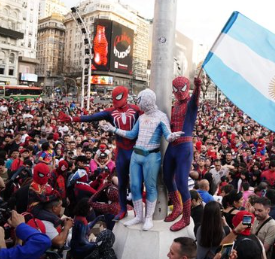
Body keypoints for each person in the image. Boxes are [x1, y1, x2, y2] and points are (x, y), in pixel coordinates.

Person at [101, 88, 183, 231]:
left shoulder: (161, 116)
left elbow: (167, 135)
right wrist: (113, 129)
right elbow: (132, 134)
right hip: (136, 155)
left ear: (147, 100)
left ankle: (148, 217)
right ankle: (139, 216)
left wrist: (173, 137)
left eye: (140, 100)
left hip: (152, 156)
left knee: (151, 187)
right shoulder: (141, 116)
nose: (138, 103)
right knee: (134, 186)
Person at [59, 86, 141, 221]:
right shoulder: (111, 112)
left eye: (118, 97)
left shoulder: (136, 110)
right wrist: (72, 119)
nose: (115, 101)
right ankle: (123, 209)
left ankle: (138, 211)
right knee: (122, 183)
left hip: (134, 150)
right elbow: (91, 117)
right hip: (121, 151)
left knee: (137, 181)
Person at [163, 76, 202, 231]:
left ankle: (186, 218)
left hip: (184, 145)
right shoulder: (174, 106)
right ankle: (177, 207)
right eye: (176, 89)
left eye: (182, 88)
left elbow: (195, 100)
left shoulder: (190, 104)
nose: (179, 92)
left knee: (181, 182)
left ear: (187, 88)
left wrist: (198, 87)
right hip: (173, 144)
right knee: (166, 177)